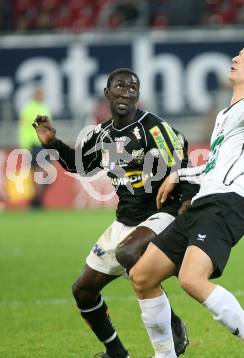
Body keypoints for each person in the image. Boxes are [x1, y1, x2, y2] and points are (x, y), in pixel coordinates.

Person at [129, 39, 244, 358]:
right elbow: (214, 167)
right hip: (204, 202)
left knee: (191, 279)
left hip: (227, 204)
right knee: (142, 276)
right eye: (239, 54)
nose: (236, 58)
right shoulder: (226, 114)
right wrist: (179, 175)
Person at [33, 68, 198, 358]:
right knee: (83, 291)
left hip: (162, 215)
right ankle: (116, 352)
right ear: (108, 93)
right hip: (125, 221)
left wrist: (185, 202)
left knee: (129, 253)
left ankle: (172, 324)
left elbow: (181, 157)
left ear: (138, 95)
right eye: (119, 87)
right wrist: (53, 144)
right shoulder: (102, 134)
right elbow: (79, 165)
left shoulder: (153, 128)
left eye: (133, 88)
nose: (126, 92)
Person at [18, 87, 51, 208]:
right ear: (36, 95)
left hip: (42, 145)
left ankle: (36, 199)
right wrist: (25, 145)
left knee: (40, 173)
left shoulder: (43, 107)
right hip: (35, 144)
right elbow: (24, 128)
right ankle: (37, 200)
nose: (43, 96)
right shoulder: (28, 109)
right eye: (41, 94)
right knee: (38, 173)